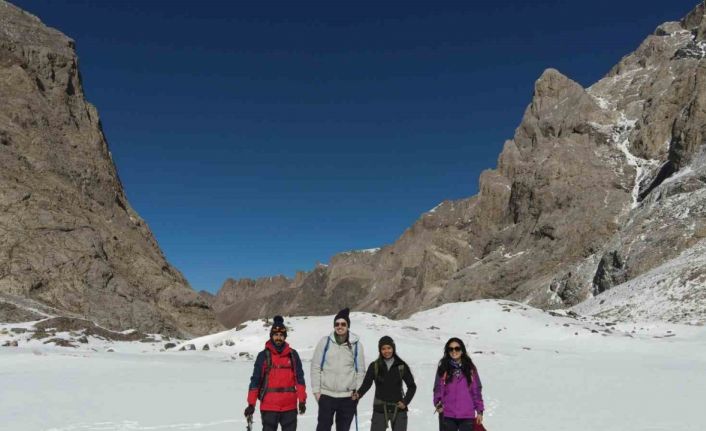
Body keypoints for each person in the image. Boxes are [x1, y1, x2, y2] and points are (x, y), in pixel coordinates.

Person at [245, 315, 307, 431]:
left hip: (289, 407)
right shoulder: (263, 356)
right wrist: (251, 404)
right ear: (271, 336)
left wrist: (302, 400)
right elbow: (255, 381)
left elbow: (299, 379)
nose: (278, 338)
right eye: (276, 335)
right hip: (269, 407)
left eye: (281, 335)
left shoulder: (293, 355)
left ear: (284, 337)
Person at [311, 307, 366, 431]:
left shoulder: (356, 345)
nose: (339, 326)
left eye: (343, 324)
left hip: (347, 398)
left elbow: (360, 371)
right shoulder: (325, 342)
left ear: (348, 326)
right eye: (337, 324)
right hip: (326, 395)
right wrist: (316, 392)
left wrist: (356, 392)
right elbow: (315, 367)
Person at [354, 335, 416, 431]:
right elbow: (367, 384)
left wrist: (405, 401)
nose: (386, 351)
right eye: (383, 349)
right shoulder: (374, 366)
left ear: (393, 348)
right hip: (380, 409)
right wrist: (359, 394)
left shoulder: (401, 366)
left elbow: (412, 386)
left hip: (398, 409)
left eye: (389, 348)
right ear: (380, 350)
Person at [433, 338, 484, 431]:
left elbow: (476, 390)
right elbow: (438, 388)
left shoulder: (470, 369)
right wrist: (437, 403)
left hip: (467, 415)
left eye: (457, 348)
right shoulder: (443, 368)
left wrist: (479, 411)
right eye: (451, 349)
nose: (454, 351)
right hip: (448, 414)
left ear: (462, 350)